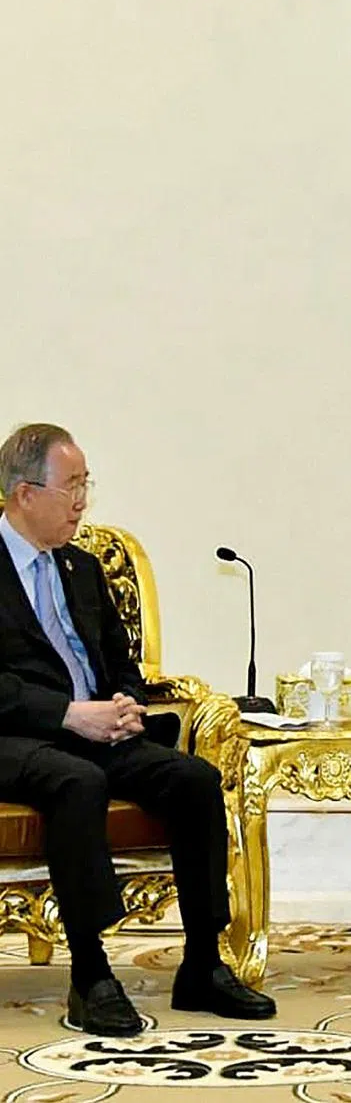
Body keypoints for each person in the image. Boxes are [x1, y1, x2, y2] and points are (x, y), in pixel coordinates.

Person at [0, 423, 276, 1036]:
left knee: (194, 779)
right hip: (17, 737)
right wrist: (69, 714)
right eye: (71, 486)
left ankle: (203, 964)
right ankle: (92, 976)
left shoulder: (81, 567)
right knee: (76, 782)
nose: (81, 501)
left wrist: (125, 701)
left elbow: (121, 659)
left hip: (96, 728)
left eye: (84, 486)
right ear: (24, 494)